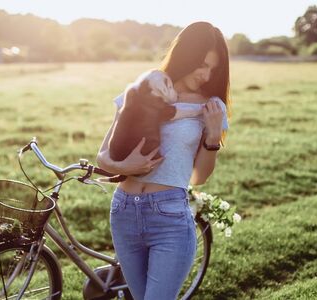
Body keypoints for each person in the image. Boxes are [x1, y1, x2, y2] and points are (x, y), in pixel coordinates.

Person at [97, 21, 231, 300]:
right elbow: (103, 156)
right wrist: (126, 167)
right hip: (123, 213)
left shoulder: (211, 107)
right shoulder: (143, 88)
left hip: (169, 217)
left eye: (213, 69)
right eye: (202, 64)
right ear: (185, 56)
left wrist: (214, 135)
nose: (206, 75)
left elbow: (200, 177)